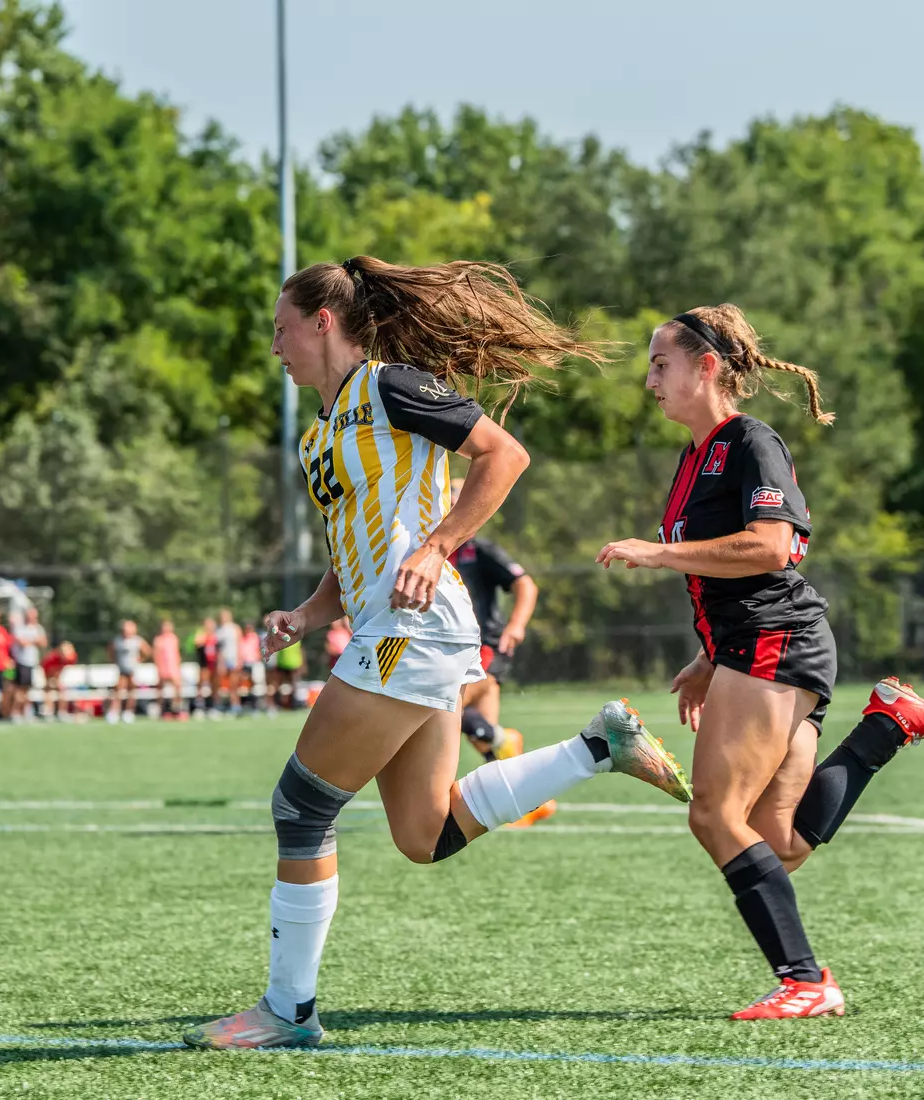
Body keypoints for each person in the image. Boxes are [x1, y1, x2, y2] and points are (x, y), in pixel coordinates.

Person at [184, 255, 692, 1051]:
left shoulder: (391, 385)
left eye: (281, 330)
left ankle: (288, 1011)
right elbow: (354, 545)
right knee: (424, 834)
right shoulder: (324, 430)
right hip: (399, 627)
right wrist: (311, 613)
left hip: (413, 627)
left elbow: (506, 456)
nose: (274, 348)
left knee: (301, 805)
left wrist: (440, 545)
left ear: (324, 322)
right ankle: (599, 746)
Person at [595, 304, 924, 1019]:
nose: (649, 378)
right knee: (776, 841)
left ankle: (805, 981)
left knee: (714, 814)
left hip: (776, 641)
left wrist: (657, 552)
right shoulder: (693, 456)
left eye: (660, 363)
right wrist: (708, 657)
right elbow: (727, 570)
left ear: (706, 367)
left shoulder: (750, 441)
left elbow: (772, 548)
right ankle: (886, 727)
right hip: (754, 643)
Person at [447, 477, 550, 825]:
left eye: (454, 497)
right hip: (451, 652)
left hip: (485, 647)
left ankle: (504, 739)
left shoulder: (480, 550)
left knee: (443, 707)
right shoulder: (435, 551)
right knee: (484, 739)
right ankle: (534, 801)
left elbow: (525, 584)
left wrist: (516, 625)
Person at [108, 619, 150, 724]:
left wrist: (140, 659)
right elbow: (111, 650)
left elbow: (147, 651)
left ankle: (128, 712)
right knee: (118, 691)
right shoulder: (118, 640)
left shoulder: (137, 640)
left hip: (132, 669)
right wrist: (114, 661)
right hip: (121, 669)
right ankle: (114, 712)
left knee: (132, 692)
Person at [12, 608, 49, 720]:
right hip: (22, 662)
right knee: (21, 689)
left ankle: (25, 712)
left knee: (29, 689)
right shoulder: (20, 628)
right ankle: (16, 712)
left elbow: (43, 642)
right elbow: (22, 643)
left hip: (33, 662)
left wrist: (31, 641)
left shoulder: (38, 628)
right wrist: (34, 640)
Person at [153, 619, 185, 720]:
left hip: (173, 667)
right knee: (161, 689)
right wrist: (158, 667)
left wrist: (178, 665)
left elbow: (176, 653)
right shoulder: (158, 640)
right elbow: (155, 654)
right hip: (163, 667)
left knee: (177, 688)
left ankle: (176, 709)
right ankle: (162, 710)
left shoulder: (173, 639)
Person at [41, 640, 78, 721]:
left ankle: (62, 712)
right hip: (48, 674)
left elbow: (68, 668)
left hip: (61, 675)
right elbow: (48, 670)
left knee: (62, 690)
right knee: (49, 689)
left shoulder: (72, 656)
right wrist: (53, 680)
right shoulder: (52, 658)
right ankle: (48, 711)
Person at [213, 608, 241, 715]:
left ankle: (235, 705)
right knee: (219, 684)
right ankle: (217, 705)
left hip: (233, 659)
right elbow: (218, 648)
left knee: (234, 684)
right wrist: (220, 661)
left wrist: (239, 659)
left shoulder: (235, 628)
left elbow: (239, 645)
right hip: (222, 660)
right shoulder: (219, 630)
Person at [192, 618, 220, 719]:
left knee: (214, 686)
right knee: (202, 685)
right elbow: (197, 644)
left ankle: (213, 707)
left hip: (214, 665)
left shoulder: (216, 636)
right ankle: (199, 707)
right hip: (204, 664)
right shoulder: (201, 635)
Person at [238, 621, 264, 713]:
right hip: (244, 664)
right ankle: (245, 704)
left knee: (254, 685)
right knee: (244, 685)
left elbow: (259, 650)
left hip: (253, 663)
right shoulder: (242, 638)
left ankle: (254, 705)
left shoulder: (255, 638)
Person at [273, 639, 305, 710]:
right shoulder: (281, 637)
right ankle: (279, 703)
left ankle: (293, 703)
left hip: (294, 665)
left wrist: (302, 664)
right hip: (282, 664)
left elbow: (300, 650)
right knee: (279, 685)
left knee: (293, 685)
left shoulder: (297, 638)